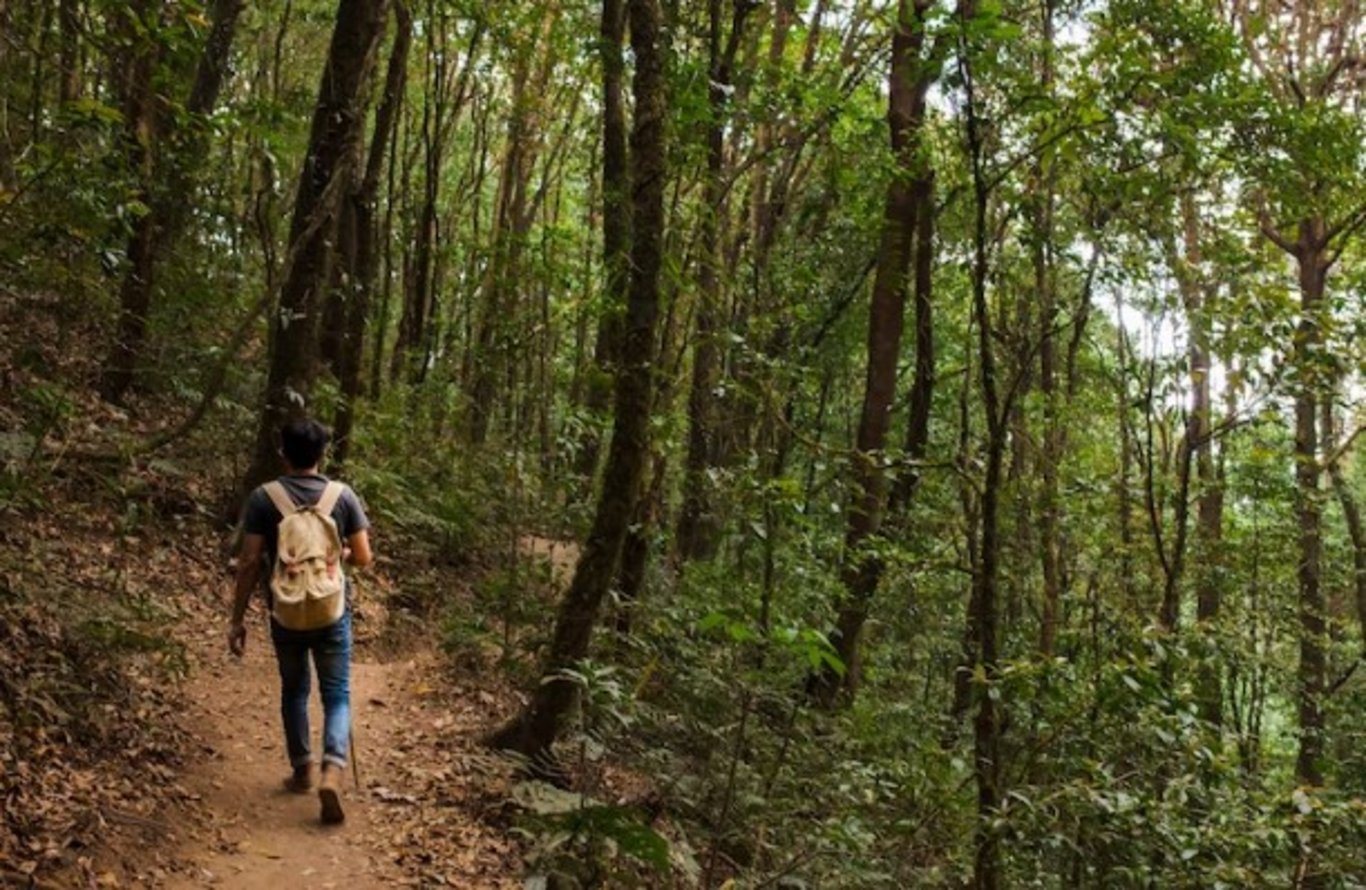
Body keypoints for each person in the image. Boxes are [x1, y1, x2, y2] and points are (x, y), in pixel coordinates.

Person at [227, 419, 373, 824]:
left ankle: (302, 769)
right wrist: (338, 556)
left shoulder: (264, 498)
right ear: (322, 454)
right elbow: (363, 557)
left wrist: (236, 620)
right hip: (331, 612)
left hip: (285, 611)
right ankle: (332, 769)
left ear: (283, 453)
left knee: (294, 690)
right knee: (337, 694)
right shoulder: (342, 497)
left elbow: (250, 562)